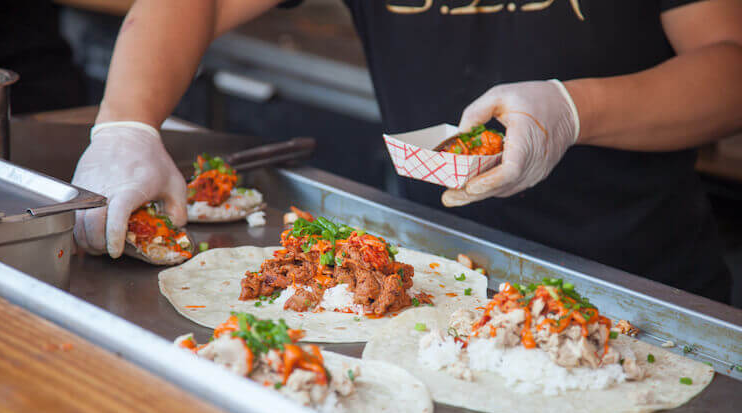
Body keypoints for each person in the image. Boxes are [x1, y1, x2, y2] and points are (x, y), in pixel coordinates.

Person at [72, 0, 742, 303]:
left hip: (639, 282)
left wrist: (575, 110)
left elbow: (730, 62)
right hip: (428, 273)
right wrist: (126, 125)